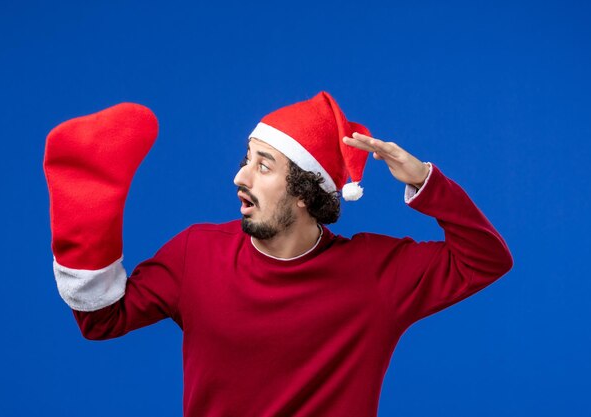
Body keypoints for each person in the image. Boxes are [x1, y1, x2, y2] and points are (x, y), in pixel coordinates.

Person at [44, 92, 513, 417]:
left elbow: (486, 259)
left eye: (262, 165)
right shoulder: (197, 253)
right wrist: (90, 203)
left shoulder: (375, 274)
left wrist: (425, 180)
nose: (240, 177)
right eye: (246, 158)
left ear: (305, 193)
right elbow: (102, 319)